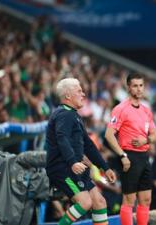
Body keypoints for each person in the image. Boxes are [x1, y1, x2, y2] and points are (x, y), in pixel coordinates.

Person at [46, 78, 116, 225]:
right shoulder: (64, 114)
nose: (83, 94)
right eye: (79, 90)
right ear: (68, 96)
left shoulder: (74, 115)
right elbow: (62, 138)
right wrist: (72, 162)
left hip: (75, 168)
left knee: (100, 202)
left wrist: (105, 167)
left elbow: (88, 145)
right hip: (63, 168)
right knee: (85, 202)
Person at [105, 73, 156, 225]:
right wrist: (122, 155)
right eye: (135, 85)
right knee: (129, 200)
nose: (139, 89)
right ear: (128, 87)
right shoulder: (120, 109)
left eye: (141, 85)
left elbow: (154, 134)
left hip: (144, 156)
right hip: (129, 157)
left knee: (146, 200)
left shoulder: (146, 110)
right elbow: (109, 135)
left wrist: (145, 139)